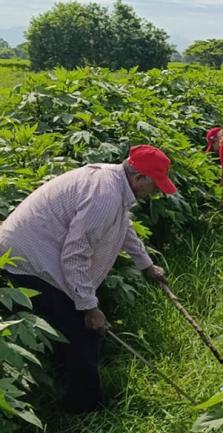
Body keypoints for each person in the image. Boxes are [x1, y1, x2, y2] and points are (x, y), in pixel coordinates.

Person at [0, 145, 177, 413]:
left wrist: (146, 265)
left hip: (35, 252)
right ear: (139, 177)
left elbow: (123, 227)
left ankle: (70, 384)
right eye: (155, 185)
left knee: (74, 329)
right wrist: (89, 307)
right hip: (27, 260)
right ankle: (84, 408)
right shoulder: (105, 196)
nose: (155, 193)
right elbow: (74, 255)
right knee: (82, 330)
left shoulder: (113, 181)